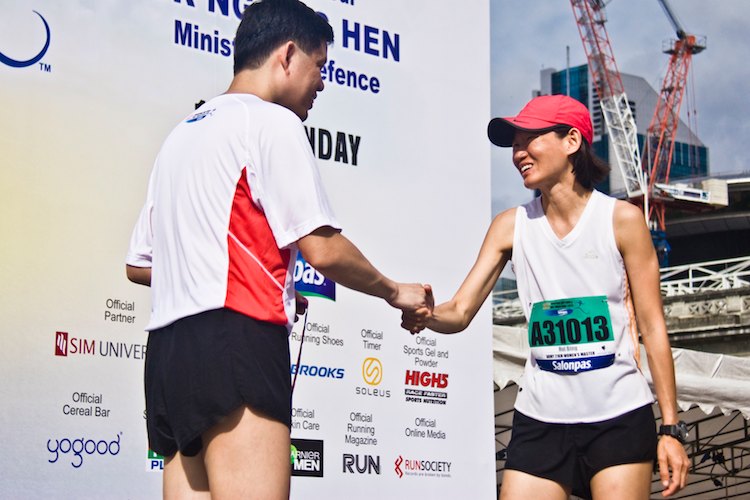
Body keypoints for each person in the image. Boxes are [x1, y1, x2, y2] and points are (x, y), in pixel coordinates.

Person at [125, 1, 432, 498]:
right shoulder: (270, 122)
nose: (323, 83)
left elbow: (139, 266)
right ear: (288, 56)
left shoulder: (179, 136)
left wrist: (255, 279)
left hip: (168, 355)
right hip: (236, 342)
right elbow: (323, 250)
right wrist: (396, 291)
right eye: (320, 67)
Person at [402, 94, 689, 499]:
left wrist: (670, 428)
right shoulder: (509, 226)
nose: (518, 152)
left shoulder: (622, 220)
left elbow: (653, 327)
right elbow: (460, 311)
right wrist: (427, 315)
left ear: (572, 141)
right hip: (541, 418)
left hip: (618, 414)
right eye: (514, 144)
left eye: (529, 139)